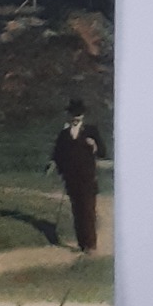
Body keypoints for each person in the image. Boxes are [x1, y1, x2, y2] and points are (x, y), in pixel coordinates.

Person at [49, 97, 107, 253]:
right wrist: (62, 172)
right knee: (77, 210)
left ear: (83, 116)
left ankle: (91, 245)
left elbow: (103, 152)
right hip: (71, 179)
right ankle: (82, 244)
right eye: (73, 114)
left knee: (88, 210)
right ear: (69, 115)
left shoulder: (91, 131)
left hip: (87, 178)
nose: (76, 118)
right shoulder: (64, 134)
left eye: (78, 115)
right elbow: (57, 155)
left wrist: (94, 145)